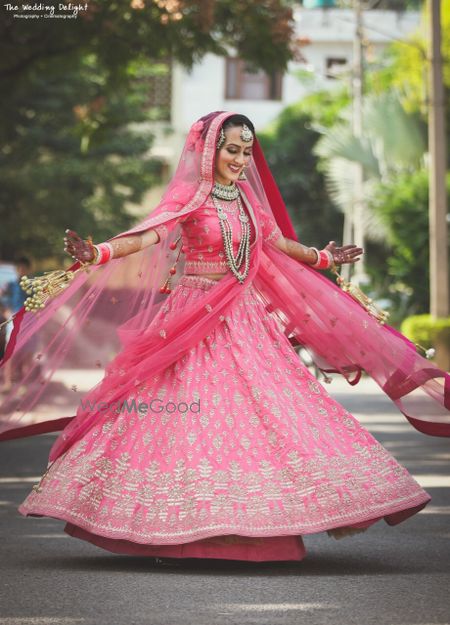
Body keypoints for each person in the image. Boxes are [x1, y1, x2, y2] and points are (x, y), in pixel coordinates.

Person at [1, 111, 448, 563]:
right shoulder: (190, 199)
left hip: (245, 323)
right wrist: (98, 251)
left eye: (245, 152)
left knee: (271, 414)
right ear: (210, 150)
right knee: (186, 420)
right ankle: (173, 527)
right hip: (189, 324)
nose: (238, 159)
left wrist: (323, 258)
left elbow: (276, 245)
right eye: (231, 150)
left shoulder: (249, 203)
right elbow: (148, 236)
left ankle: (262, 522)